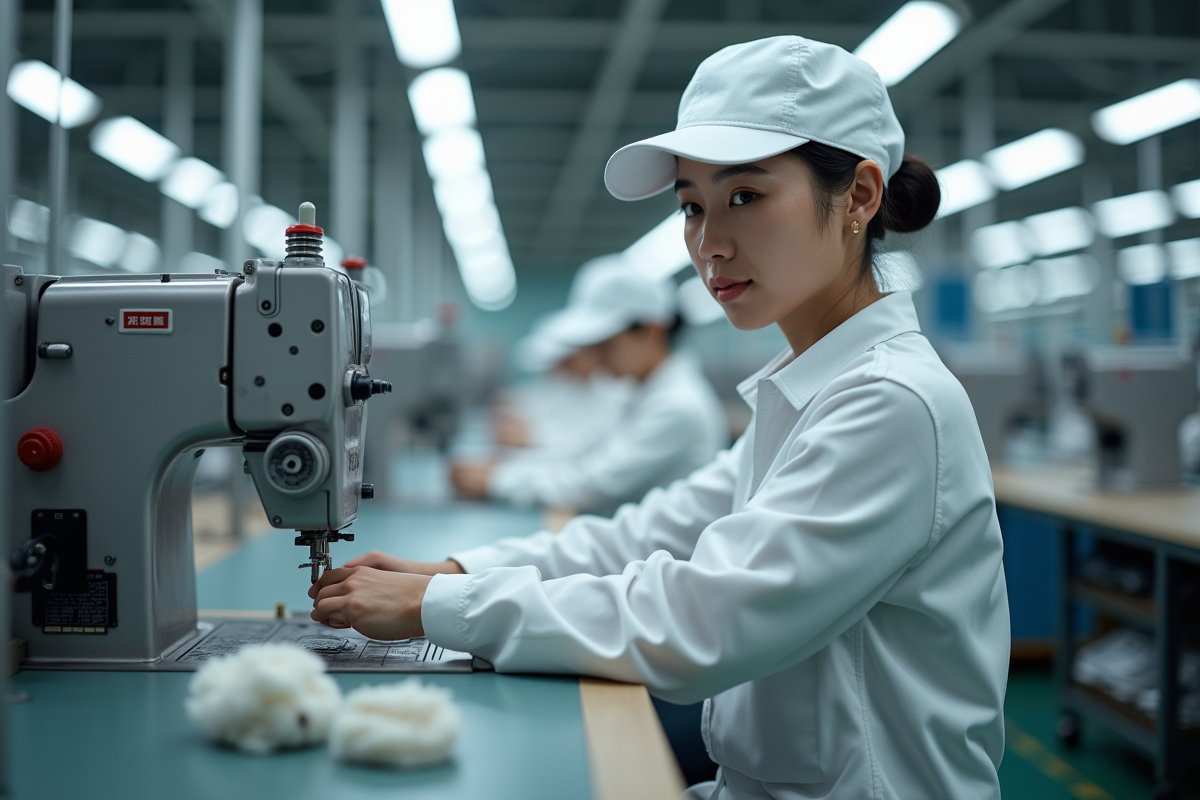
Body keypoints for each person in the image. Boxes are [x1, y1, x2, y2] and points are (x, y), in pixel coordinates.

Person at [312, 35, 1009, 799]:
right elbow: (648, 534)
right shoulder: (808, 392)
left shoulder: (890, 402)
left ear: (861, 197)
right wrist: (457, 573)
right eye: (691, 207)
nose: (710, 244)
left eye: (745, 197)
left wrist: (441, 606)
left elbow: (705, 621)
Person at [451, 260, 728, 516]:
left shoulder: (676, 407)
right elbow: (585, 457)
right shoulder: (637, 392)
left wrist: (498, 480)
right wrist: (508, 470)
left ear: (651, 331)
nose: (595, 360)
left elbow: (593, 484)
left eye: (605, 346)